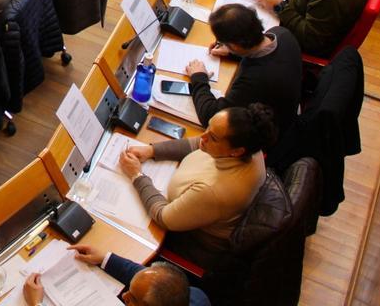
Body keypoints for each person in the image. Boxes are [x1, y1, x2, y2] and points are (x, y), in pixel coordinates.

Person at [118, 104, 277, 264]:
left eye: (213, 137)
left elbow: (163, 217)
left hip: (190, 239)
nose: (203, 136)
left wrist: (136, 175)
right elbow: (197, 144)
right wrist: (152, 151)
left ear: (236, 151)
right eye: (208, 126)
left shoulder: (213, 192)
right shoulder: (251, 146)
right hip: (193, 207)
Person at [188, 3, 302, 139]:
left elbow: (211, 115)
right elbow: (269, 57)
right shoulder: (282, 33)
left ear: (236, 45)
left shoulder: (254, 81)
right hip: (290, 109)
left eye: (223, 42)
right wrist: (233, 53)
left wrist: (198, 77)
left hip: (271, 135)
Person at [23, 254, 208, 306]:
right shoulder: (195, 297)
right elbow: (144, 275)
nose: (124, 295)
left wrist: (35, 304)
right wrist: (104, 258)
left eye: (133, 299)